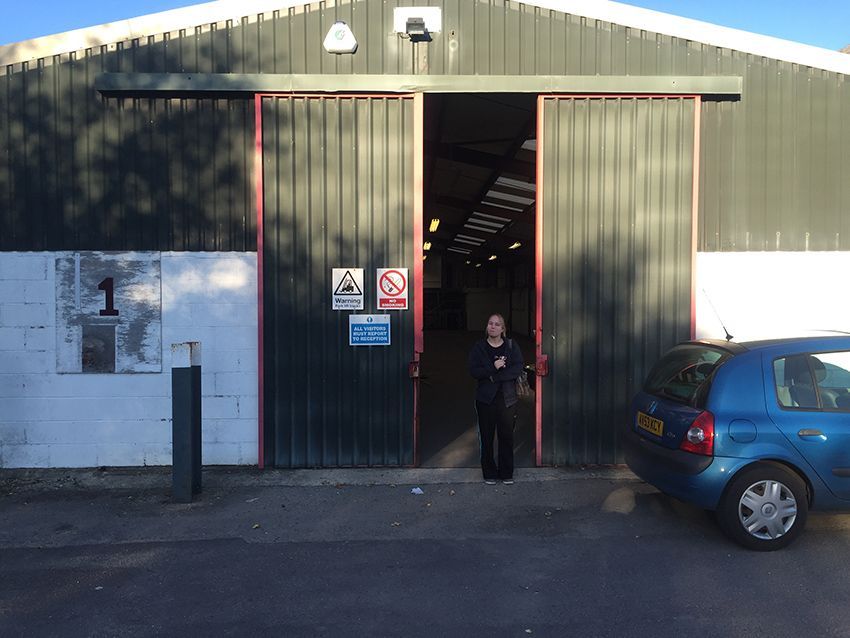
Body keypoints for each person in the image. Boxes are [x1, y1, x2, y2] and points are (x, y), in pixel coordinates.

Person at [468, 313, 524, 485]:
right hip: (486, 399)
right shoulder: (479, 347)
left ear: (502, 329)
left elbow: (517, 367)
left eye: (497, 324)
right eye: (490, 323)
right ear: (487, 327)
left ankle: (506, 473)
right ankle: (489, 474)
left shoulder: (511, 346)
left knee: (506, 436)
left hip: (508, 399)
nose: (492, 326)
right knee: (486, 437)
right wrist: (493, 368)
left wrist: (494, 377)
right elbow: (474, 371)